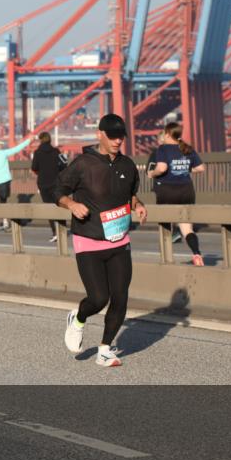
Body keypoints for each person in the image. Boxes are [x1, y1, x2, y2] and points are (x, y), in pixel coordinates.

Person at [57, 114, 147, 367]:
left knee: (120, 297)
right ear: (100, 134)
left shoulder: (127, 165)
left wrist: (138, 205)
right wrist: (71, 204)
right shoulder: (83, 164)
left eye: (121, 137)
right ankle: (78, 319)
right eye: (113, 136)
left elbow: (130, 195)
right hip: (89, 240)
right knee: (98, 298)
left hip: (119, 241)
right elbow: (58, 191)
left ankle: (105, 349)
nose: (118, 141)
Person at [147, 122, 207, 266]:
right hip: (186, 190)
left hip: (167, 190)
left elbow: (162, 168)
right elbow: (201, 168)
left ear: (168, 134)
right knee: (187, 228)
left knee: (165, 224)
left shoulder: (163, 149)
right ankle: (197, 254)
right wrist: (184, 169)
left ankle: (167, 260)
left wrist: (152, 173)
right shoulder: (187, 148)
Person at [30, 132, 66, 243]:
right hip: (56, 183)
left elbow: (34, 167)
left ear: (40, 140)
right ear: (50, 140)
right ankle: (62, 231)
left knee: (48, 207)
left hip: (43, 184)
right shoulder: (56, 151)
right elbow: (64, 164)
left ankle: (55, 233)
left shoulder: (37, 153)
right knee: (60, 205)